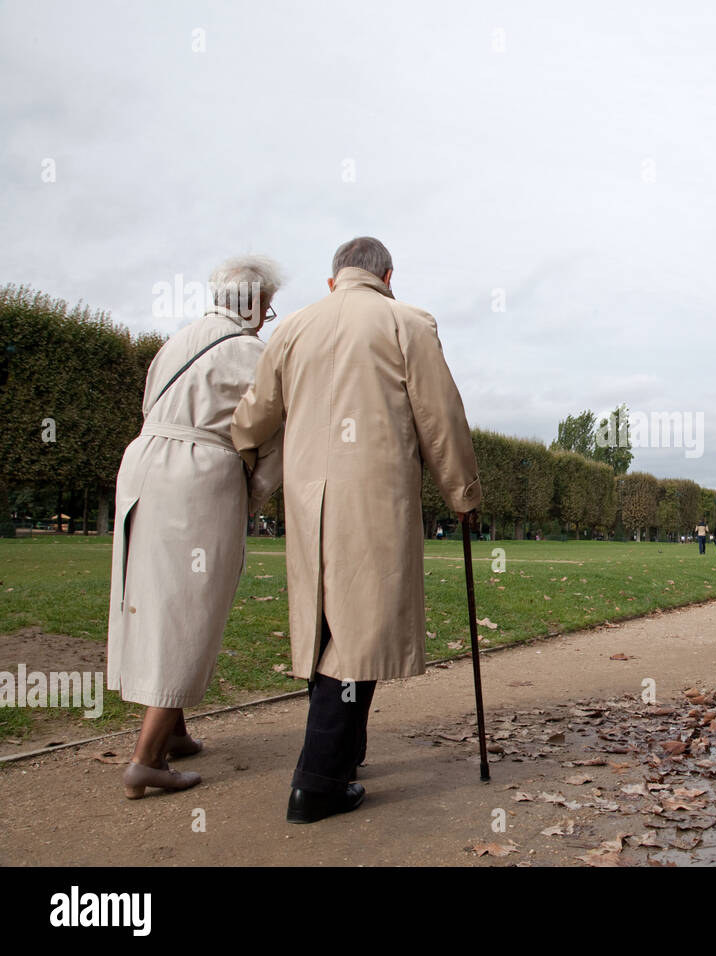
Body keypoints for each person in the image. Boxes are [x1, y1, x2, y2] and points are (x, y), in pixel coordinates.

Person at [231, 237, 480, 824]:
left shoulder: (291, 328)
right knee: (358, 629)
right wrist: (463, 493)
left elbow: (256, 415)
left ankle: (344, 757)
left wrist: (242, 454)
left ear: (332, 279)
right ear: (388, 275)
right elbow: (439, 416)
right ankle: (315, 782)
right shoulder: (406, 322)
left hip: (307, 498)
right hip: (374, 495)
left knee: (329, 623)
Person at [108, 256, 285, 799]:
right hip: (199, 475)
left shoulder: (175, 342)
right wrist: (253, 494)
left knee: (148, 598)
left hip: (141, 466)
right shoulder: (255, 352)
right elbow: (271, 432)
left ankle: (175, 731)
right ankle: (146, 760)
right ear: (254, 304)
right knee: (190, 606)